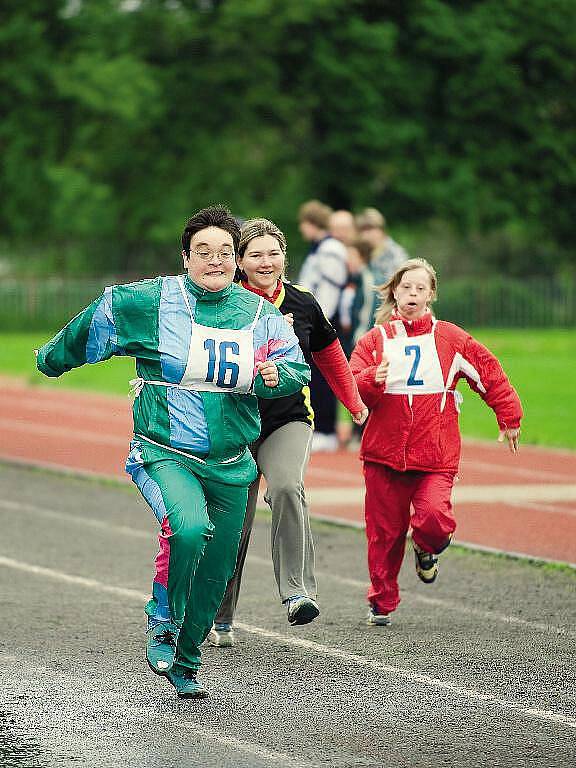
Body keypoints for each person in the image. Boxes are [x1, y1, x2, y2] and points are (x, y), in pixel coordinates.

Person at [35, 205, 310, 698]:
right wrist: (53, 358)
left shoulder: (262, 316)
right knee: (187, 529)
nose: (215, 260)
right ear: (186, 257)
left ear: (238, 260)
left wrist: (278, 377)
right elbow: (105, 313)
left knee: (216, 570)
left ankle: (187, 662)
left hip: (231, 464)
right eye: (203, 252)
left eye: (225, 252)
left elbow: (295, 368)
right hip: (165, 452)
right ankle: (161, 618)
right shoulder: (154, 300)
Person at [209, 217, 368, 647]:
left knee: (286, 487)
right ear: (239, 262)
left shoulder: (303, 304)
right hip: (233, 424)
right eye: (255, 254)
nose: (265, 261)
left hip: (288, 420)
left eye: (273, 252)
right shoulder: (221, 303)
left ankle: (298, 592)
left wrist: (353, 404)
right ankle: (218, 613)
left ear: (285, 256)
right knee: (232, 523)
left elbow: (332, 357)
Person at [349, 258, 522, 626]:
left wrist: (509, 416)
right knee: (384, 533)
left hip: (436, 453)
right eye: (405, 287)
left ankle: (427, 549)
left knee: (434, 519)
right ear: (394, 290)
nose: (412, 294)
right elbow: (353, 388)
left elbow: (488, 372)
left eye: (420, 288)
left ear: (431, 295)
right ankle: (382, 601)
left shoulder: (450, 338)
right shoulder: (373, 341)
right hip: (383, 455)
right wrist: (371, 378)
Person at [297, 200, 349, 452]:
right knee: (315, 375)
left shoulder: (330, 249)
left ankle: (327, 430)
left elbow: (329, 287)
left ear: (311, 223)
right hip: (316, 317)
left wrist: (319, 319)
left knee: (324, 376)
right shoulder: (320, 248)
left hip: (323, 319)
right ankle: (322, 427)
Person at [355, 207, 408, 331]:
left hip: (390, 317)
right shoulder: (366, 254)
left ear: (381, 230)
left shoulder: (394, 254)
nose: (366, 235)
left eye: (371, 229)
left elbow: (399, 287)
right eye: (363, 231)